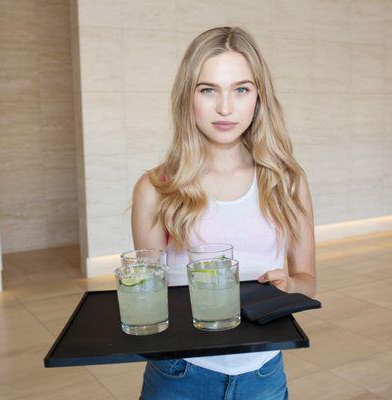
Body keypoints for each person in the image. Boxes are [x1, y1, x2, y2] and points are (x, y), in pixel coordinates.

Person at [131, 26, 316, 400]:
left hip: (263, 373)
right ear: (188, 97)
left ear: (258, 97)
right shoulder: (156, 187)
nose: (226, 108)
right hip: (181, 374)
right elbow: (149, 296)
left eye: (241, 89)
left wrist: (291, 287)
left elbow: (308, 279)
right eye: (208, 89)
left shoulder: (287, 181)